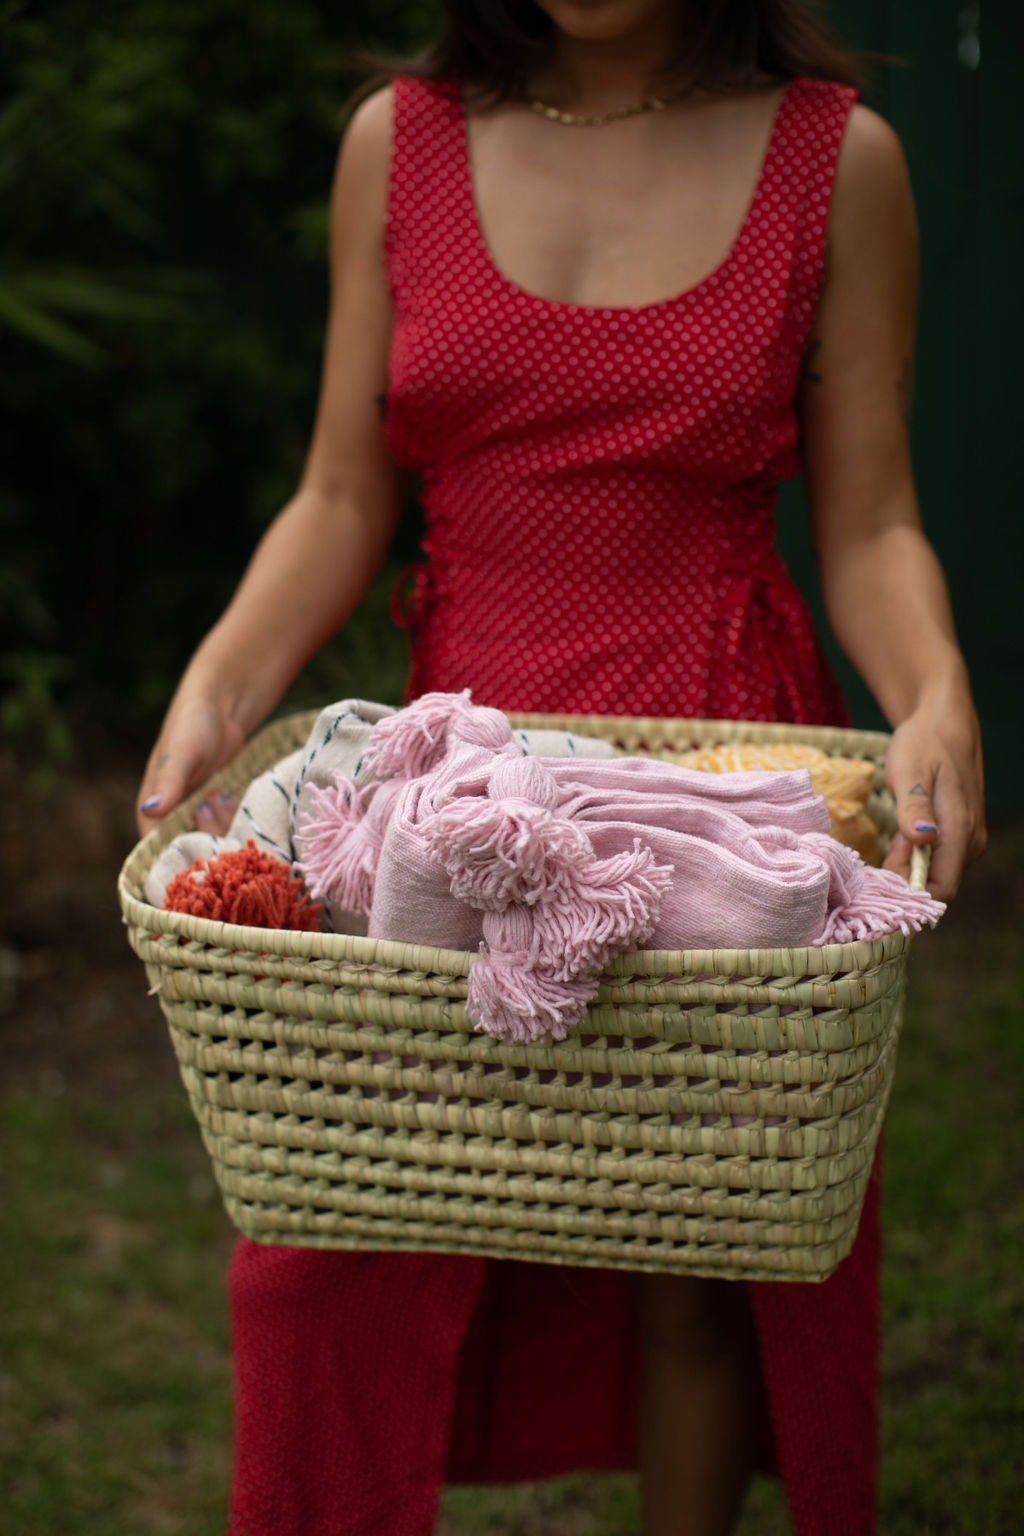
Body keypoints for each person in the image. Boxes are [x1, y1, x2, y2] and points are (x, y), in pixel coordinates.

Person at [136, 3, 986, 1533]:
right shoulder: (396, 145)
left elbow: (869, 518)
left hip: (704, 778)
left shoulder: (836, 163)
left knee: (697, 1269)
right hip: (449, 793)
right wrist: (221, 682)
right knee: (326, 1258)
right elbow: (342, 489)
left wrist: (932, 692)